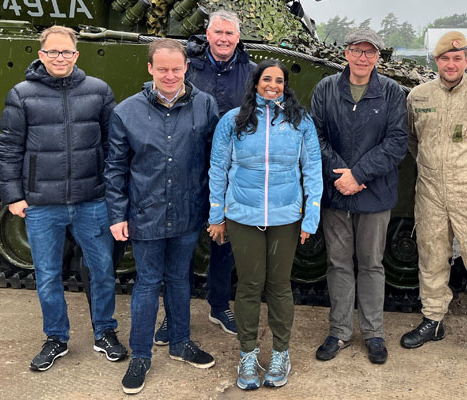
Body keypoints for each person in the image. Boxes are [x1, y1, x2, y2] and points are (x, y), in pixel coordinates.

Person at [0, 25, 126, 372]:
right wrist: (13, 195)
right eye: (53, 52)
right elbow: (9, 148)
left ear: (76, 55)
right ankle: (56, 336)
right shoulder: (22, 94)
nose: (60, 58)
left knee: (101, 270)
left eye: (66, 52)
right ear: (41, 55)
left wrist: (111, 193)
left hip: (91, 200)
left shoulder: (98, 91)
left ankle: (105, 332)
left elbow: (113, 146)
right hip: (42, 203)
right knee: (48, 274)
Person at [105, 39, 219, 394]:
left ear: (187, 68)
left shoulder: (205, 105)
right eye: (163, 69)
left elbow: (216, 160)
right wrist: (117, 214)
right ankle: (141, 355)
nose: (170, 75)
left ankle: (180, 341)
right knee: (147, 284)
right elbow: (115, 169)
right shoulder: (127, 112)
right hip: (145, 214)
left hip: (188, 212)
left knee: (181, 280)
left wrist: (215, 209)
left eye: (177, 68)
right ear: (150, 69)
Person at [207, 59, 323, 390]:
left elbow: (312, 169)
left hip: (286, 217)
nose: (273, 85)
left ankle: (281, 354)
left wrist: (310, 216)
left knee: (279, 285)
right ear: (256, 83)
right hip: (243, 215)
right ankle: (247, 354)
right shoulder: (234, 121)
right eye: (266, 79)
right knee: (248, 285)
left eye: (279, 80)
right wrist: (217, 214)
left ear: (286, 86)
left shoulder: (301, 122)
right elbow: (218, 168)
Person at [401, 31, 467, 368]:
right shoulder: (418, 96)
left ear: (466, 60)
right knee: (432, 258)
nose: (451, 64)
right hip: (431, 192)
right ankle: (433, 320)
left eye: (457, 58)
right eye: (445, 58)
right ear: (436, 61)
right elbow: (413, 140)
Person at [153, 9, 257, 343]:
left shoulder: (251, 72)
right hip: (187, 166)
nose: (224, 39)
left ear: (237, 37)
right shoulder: (189, 68)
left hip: (230, 171)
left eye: (230, 33)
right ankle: (173, 314)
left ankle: (218, 304)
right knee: (180, 245)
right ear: (208, 34)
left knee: (223, 245)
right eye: (218, 32)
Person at [312, 28, 408, 365]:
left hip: (374, 194)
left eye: (370, 52)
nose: (363, 57)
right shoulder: (326, 89)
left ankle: (373, 333)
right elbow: (316, 136)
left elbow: (397, 142)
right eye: (357, 50)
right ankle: (339, 332)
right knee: (338, 264)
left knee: (371, 264)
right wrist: (343, 175)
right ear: (346, 53)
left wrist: (360, 174)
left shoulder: (392, 93)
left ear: (378, 58)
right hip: (338, 193)